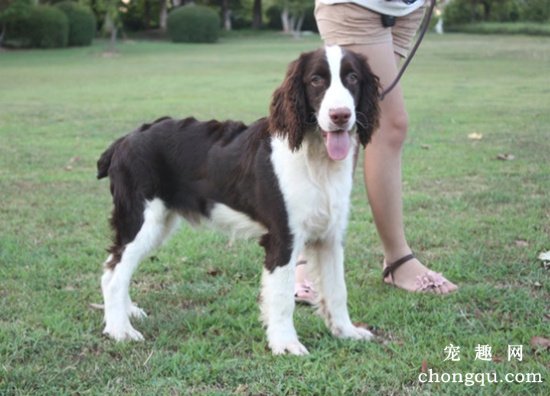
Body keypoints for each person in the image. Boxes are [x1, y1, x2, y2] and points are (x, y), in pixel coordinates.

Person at [294, 0, 458, 303]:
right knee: (377, 123)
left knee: (367, 123)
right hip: (357, 4)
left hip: (406, 8)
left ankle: (310, 257)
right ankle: (390, 261)